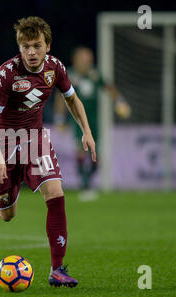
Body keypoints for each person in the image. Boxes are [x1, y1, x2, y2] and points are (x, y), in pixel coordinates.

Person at [0, 16, 96, 287]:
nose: (31, 52)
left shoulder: (55, 68)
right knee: (7, 215)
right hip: (4, 143)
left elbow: (72, 99)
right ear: (19, 47)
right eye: (25, 47)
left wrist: (87, 131)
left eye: (36, 46)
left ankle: (58, 270)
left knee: (56, 193)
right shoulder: (6, 74)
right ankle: (6, 191)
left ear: (48, 46)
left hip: (35, 141)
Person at [54, 46, 131, 201]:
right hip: (78, 121)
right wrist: (59, 118)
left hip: (95, 120)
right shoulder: (70, 75)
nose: (88, 62)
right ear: (76, 60)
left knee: (97, 157)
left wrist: (119, 102)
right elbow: (60, 97)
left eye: (89, 59)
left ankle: (87, 180)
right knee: (81, 151)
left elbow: (109, 88)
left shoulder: (95, 75)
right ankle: (85, 186)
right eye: (85, 59)